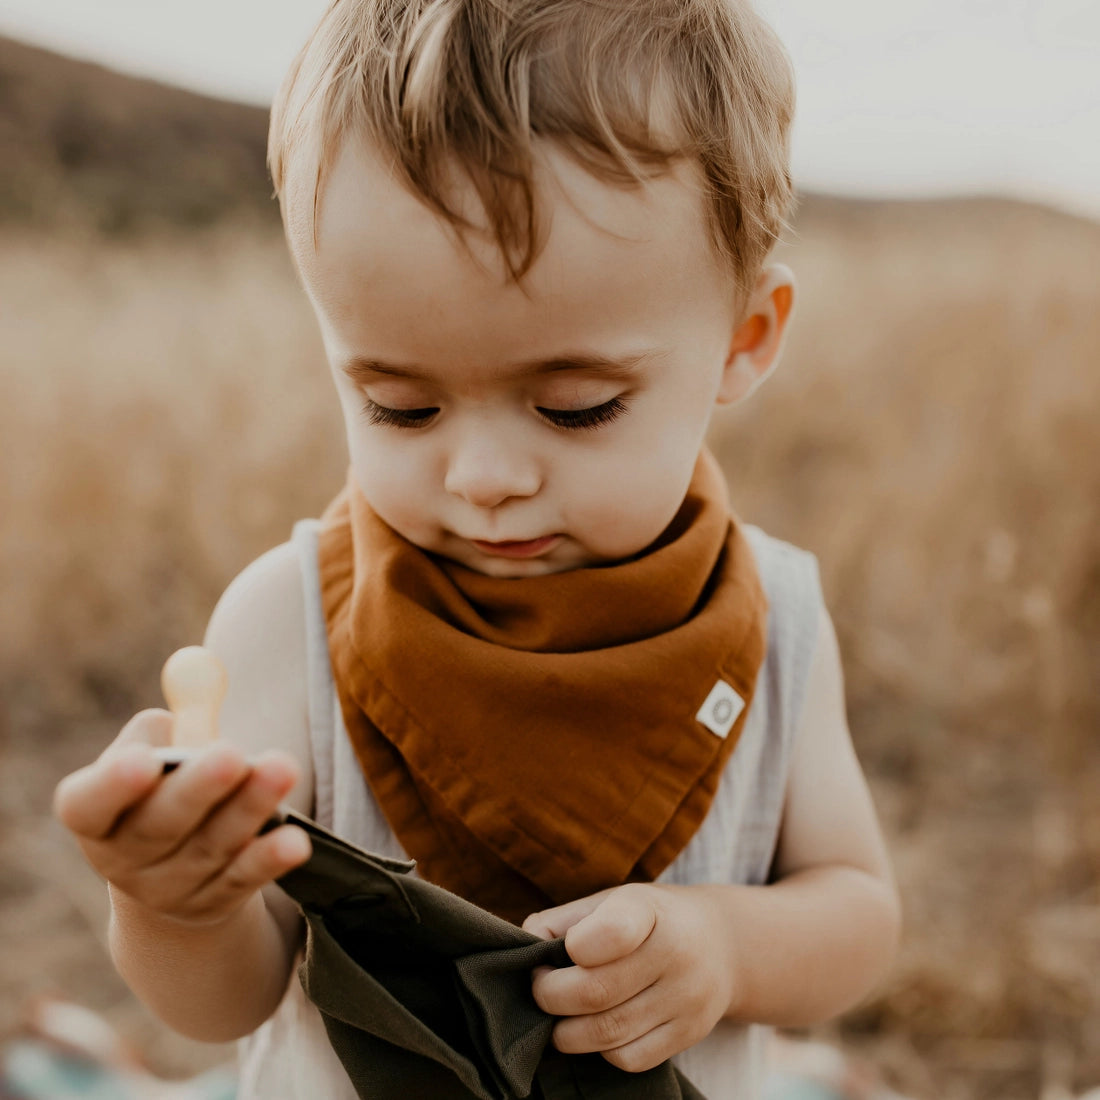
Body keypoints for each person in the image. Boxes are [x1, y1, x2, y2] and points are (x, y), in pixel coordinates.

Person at [53, 1, 902, 1096]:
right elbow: (230, 998)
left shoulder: (772, 619)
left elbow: (855, 912)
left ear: (743, 339)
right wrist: (175, 901)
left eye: (577, 405)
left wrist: (726, 942)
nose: (482, 477)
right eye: (399, 407)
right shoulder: (289, 620)